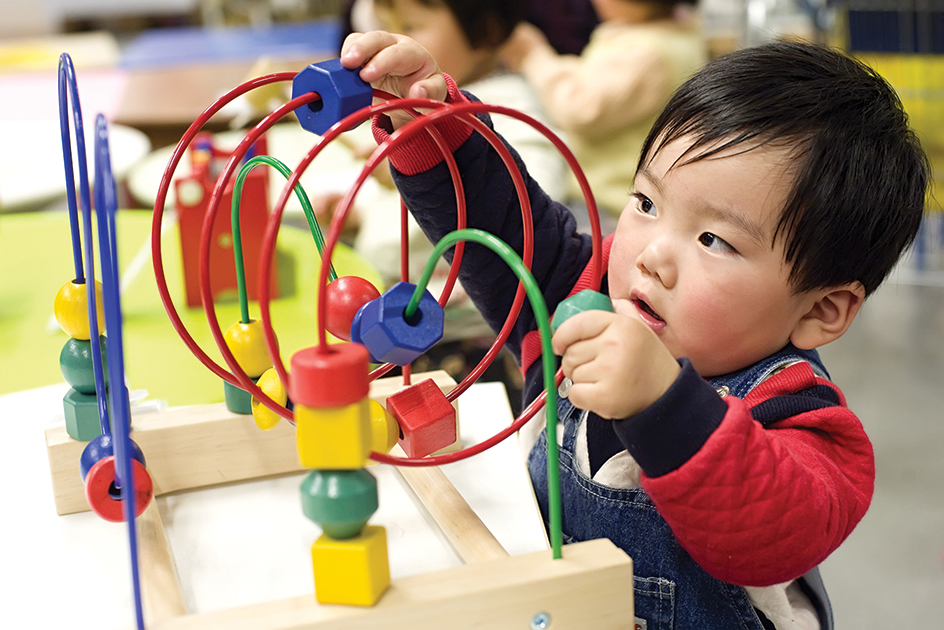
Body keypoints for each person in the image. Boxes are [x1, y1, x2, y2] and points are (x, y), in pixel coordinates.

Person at [337, 31, 930, 629]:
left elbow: (773, 527)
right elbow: (503, 235)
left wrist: (662, 404)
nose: (651, 256)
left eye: (713, 240)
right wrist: (434, 131)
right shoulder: (584, 297)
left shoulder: (802, 421)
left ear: (818, 311)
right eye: (647, 202)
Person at [501, 0, 706, 228]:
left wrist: (534, 56)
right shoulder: (673, 33)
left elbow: (580, 109)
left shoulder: (643, 54)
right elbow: (593, 79)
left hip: (608, 204)